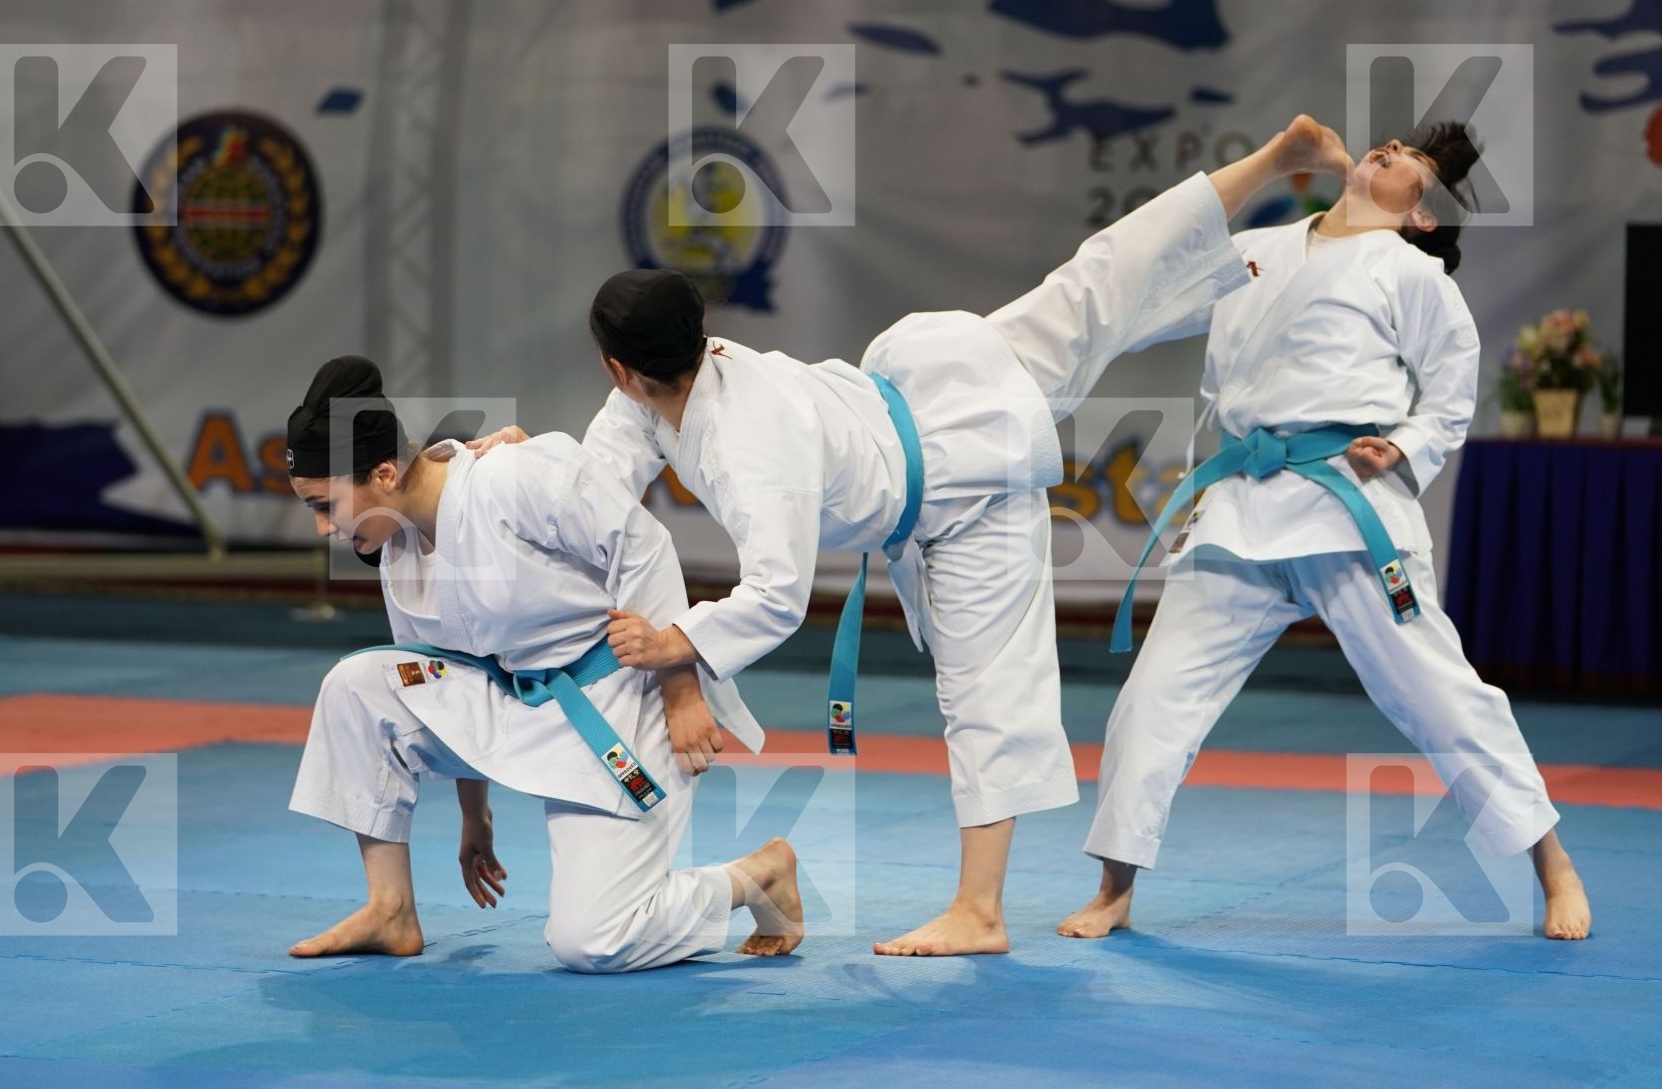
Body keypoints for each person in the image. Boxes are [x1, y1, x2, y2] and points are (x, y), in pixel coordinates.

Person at [468, 117, 1357, 957]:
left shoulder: (745, 450)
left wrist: (679, 646)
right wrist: (525, 459)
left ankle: (980, 911)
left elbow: (777, 594)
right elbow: (593, 498)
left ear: (620, 369)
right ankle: (1285, 174)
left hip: (960, 486)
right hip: (944, 379)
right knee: (1103, 281)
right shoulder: (676, 382)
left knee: (985, 688)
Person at [1057, 123, 1593, 943]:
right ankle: (1115, 886)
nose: (1389, 149)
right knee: (1153, 702)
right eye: (1392, 142)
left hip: (1348, 504)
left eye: (1413, 160)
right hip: (1239, 504)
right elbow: (1163, 331)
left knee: (1441, 699)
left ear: (1423, 216)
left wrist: (1405, 445)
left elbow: (1450, 396)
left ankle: (1552, 863)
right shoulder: (1255, 248)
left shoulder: (1413, 274)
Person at [283, 356, 804, 973]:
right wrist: (474, 815)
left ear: (385, 473)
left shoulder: (509, 479)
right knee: (359, 685)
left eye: (324, 505)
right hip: (516, 703)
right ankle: (390, 909)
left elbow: (645, 548)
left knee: (595, 942)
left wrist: (681, 690)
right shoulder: (398, 546)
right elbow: (443, 675)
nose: (322, 528)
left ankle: (756, 878)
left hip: (614, 701)